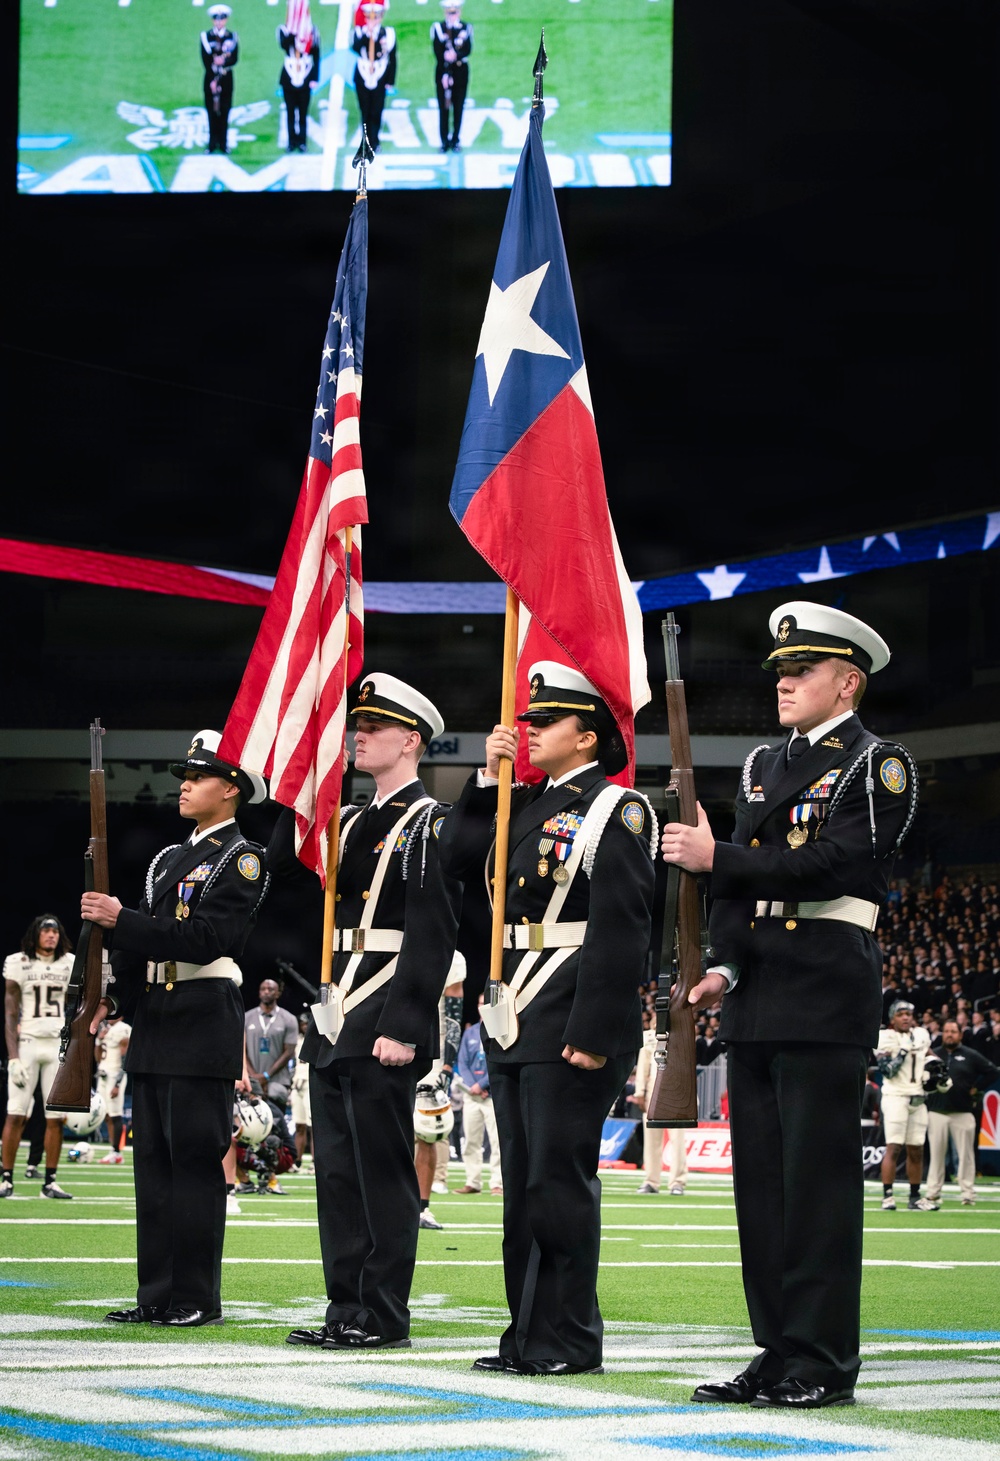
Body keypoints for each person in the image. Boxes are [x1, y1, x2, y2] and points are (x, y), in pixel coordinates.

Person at [661, 601, 917, 1410]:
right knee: (762, 1192)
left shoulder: (878, 764)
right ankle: (776, 1350)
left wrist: (719, 853)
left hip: (823, 991)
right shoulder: (761, 764)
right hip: (762, 994)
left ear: (849, 681)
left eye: (802, 670)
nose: (784, 681)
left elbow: (835, 864)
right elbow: (738, 892)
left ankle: (823, 1359)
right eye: (780, 670)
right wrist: (723, 968)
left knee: (818, 1192)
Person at [438, 661, 656, 1377]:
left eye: (543, 721)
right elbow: (457, 860)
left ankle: (567, 1338)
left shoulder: (614, 809)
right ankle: (525, 1334)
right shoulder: (522, 802)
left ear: (586, 736)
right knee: (523, 1184)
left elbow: (623, 929)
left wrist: (594, 1033)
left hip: (567, 1012)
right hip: (513, 1015)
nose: (526, 730)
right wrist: (481, 780)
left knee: (558, 1185)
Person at [285, 674, 461, 1352]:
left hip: (381, 1011)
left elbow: (432, 931)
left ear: (410, 740)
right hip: (335, 1017)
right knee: (335, 1174)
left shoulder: (432, 822)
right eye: (357, 725)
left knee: (382, 1174)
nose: (358, 735)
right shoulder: (351, 819)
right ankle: (344, 1306)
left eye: (373, 727)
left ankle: (382, 1313)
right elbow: (283, 865)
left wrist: (404, 1022)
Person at [81, 729, 268, 1328]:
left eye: (199, 776)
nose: (184, 785)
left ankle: (195, 1297)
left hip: (203, 1013)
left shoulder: (243, 857)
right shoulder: (168, 858)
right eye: (184, 775)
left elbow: (208, 938)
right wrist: (109, 999)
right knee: (153, 1170)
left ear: (231, 789)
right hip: (156, 1019)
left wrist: (123, 918)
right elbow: (141, 950)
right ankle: (155, 1293)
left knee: (192, 1165)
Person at [1, 915, 76, 1199]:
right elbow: (10, 1013)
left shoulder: (69, 963)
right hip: (29, 1043)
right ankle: (6, 1178)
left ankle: (50, 1181)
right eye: (45, 930)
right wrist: (13, 1056)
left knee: (55, 1117)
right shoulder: (18, 962)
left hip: (58, 1044)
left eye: (55, 931)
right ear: (35, 934)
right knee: (16, 1113)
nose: (51, 935)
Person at [414, 949, 466, 1225]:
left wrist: (448, 1066)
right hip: (386, 1043)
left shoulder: (452, 957)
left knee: (427, 1133)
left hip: (432, 1054)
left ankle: (421, 1208)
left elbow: (454, 1017)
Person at [926, 1018, 998, 1207]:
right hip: (937, 1111)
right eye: (947, 1031)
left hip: (963, 1111)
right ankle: (933, 1192)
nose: (949, 1034)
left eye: (953, 1031)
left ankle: (968, 1193)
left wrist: (977, 1088)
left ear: (960, 1034)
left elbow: (993, 1072)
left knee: (966, 1155)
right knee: (936, 1154)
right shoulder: (934, 1054)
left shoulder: (971, 1055)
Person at [875, 999, 936, 1211]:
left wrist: (940, 1071)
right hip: (896, 1097)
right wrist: (903, 1050)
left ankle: (915, 1196)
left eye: (908, 1014)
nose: (906, 1017)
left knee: (917, 1149)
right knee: (894, 1146)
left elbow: (930, 1056)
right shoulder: (885, 1037)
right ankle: (888, 1195)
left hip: (918, 1098)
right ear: (893, 1018)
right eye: (901, 1014)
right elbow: (887, 1070)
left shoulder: (921, 1034)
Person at [631, 1022, 689, 1196]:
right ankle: (651, 1180)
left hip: (677, 1092)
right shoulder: (649, 1036)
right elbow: (643, 1065)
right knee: (651, 1139)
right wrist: (639, 1091)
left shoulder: (682, 1034)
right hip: (653, 1092)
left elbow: (687, 1065)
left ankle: (677, 1181)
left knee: (677, 1139)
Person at [454, 994, 503, 1195]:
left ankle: (497, 1183)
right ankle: (472, 1182)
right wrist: (473, 1085)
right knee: (471, 1140)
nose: (483, 1007)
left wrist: (483, 1084)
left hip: (491, 1095)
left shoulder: (499, 1031)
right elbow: (463, 1062)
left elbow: (498, 1061)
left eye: (487, 1003)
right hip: (472, 1096)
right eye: (481, 1003)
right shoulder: (471, 1032)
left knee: (497, 1141)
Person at [245, 977, 298, 1112]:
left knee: (277, 1125)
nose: (266, 992)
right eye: (263, 989)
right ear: (259, 993)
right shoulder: (247, 1017)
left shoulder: (289, 1019)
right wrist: (255, 1077)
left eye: (270, 989)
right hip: (251, 1080)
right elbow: (242, 1051)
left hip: (277, 1081)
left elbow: (289, 1052)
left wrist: (266, 1076)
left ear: (278, 993)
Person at [351, 1, 396, 152]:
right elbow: (356, 47)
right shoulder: (359, 32)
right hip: (363, 74)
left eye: (375, 17)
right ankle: (366, 141)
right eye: (369, 18)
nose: (372, 21)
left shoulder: (387, 33)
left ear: (380, 17)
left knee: (377, 110)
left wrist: (390, 80)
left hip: (380, 74)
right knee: (365, 110)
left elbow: (392, 57)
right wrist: (367, 33)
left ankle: (375, 141)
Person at [431, 0, 472, 153]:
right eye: (449, 12)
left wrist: (456, 55)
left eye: (454, 12)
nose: (452, 15)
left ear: (459, 12)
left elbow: (468, 49)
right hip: (443, 73)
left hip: (460, 73)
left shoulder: (466, 28)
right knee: (444, 108)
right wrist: (444, 71)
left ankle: (455, 139)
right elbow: (437, 50)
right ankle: (444, 141)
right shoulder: (438, 28)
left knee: (458, 107)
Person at [277, 10, 321, 153]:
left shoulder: (312, 31)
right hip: (289, 77)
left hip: (306, 74)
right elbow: (284, 45)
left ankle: (302, 142)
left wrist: (315, 77)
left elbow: (316, 54)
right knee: (290, 112)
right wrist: (294, 32)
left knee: (302, 112)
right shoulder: (284, 30)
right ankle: (291, 142)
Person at [201, 4, 239, 155]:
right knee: (211, 112)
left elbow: (235, 58)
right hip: (210, 79)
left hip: (226, 78)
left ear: (226, 20)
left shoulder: (232, 37)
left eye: (222, 19)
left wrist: (223, 62)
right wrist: (213, 79)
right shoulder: (206, 37)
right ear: (212, 21)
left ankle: (223, 143)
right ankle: (212, 143)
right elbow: (205, 59)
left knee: (224, 110)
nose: (219, 22)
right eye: (216, 19)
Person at [96, 1013, 132, 1163]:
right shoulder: (106, 1029)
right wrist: (98, 1040)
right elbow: (99, 1056)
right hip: (103, 1075)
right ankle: (113, 1149)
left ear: (121, 1016)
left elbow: (125, 1058)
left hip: (115, 1076)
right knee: (106, 1114)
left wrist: (117, 1083)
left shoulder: (123, 1029)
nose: (110, 1016)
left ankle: (117, 1152)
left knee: (115, 1114)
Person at [290, 1011, 312, 1167]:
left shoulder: (319, 1040)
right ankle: (296, 1161)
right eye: (303, 1024)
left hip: (310, 1084)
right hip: (296, 1085)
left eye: (307, 1023)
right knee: (299, 1124)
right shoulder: (296, 1041)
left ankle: (315, 1161)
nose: (305, 1026)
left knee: (313, 1126)